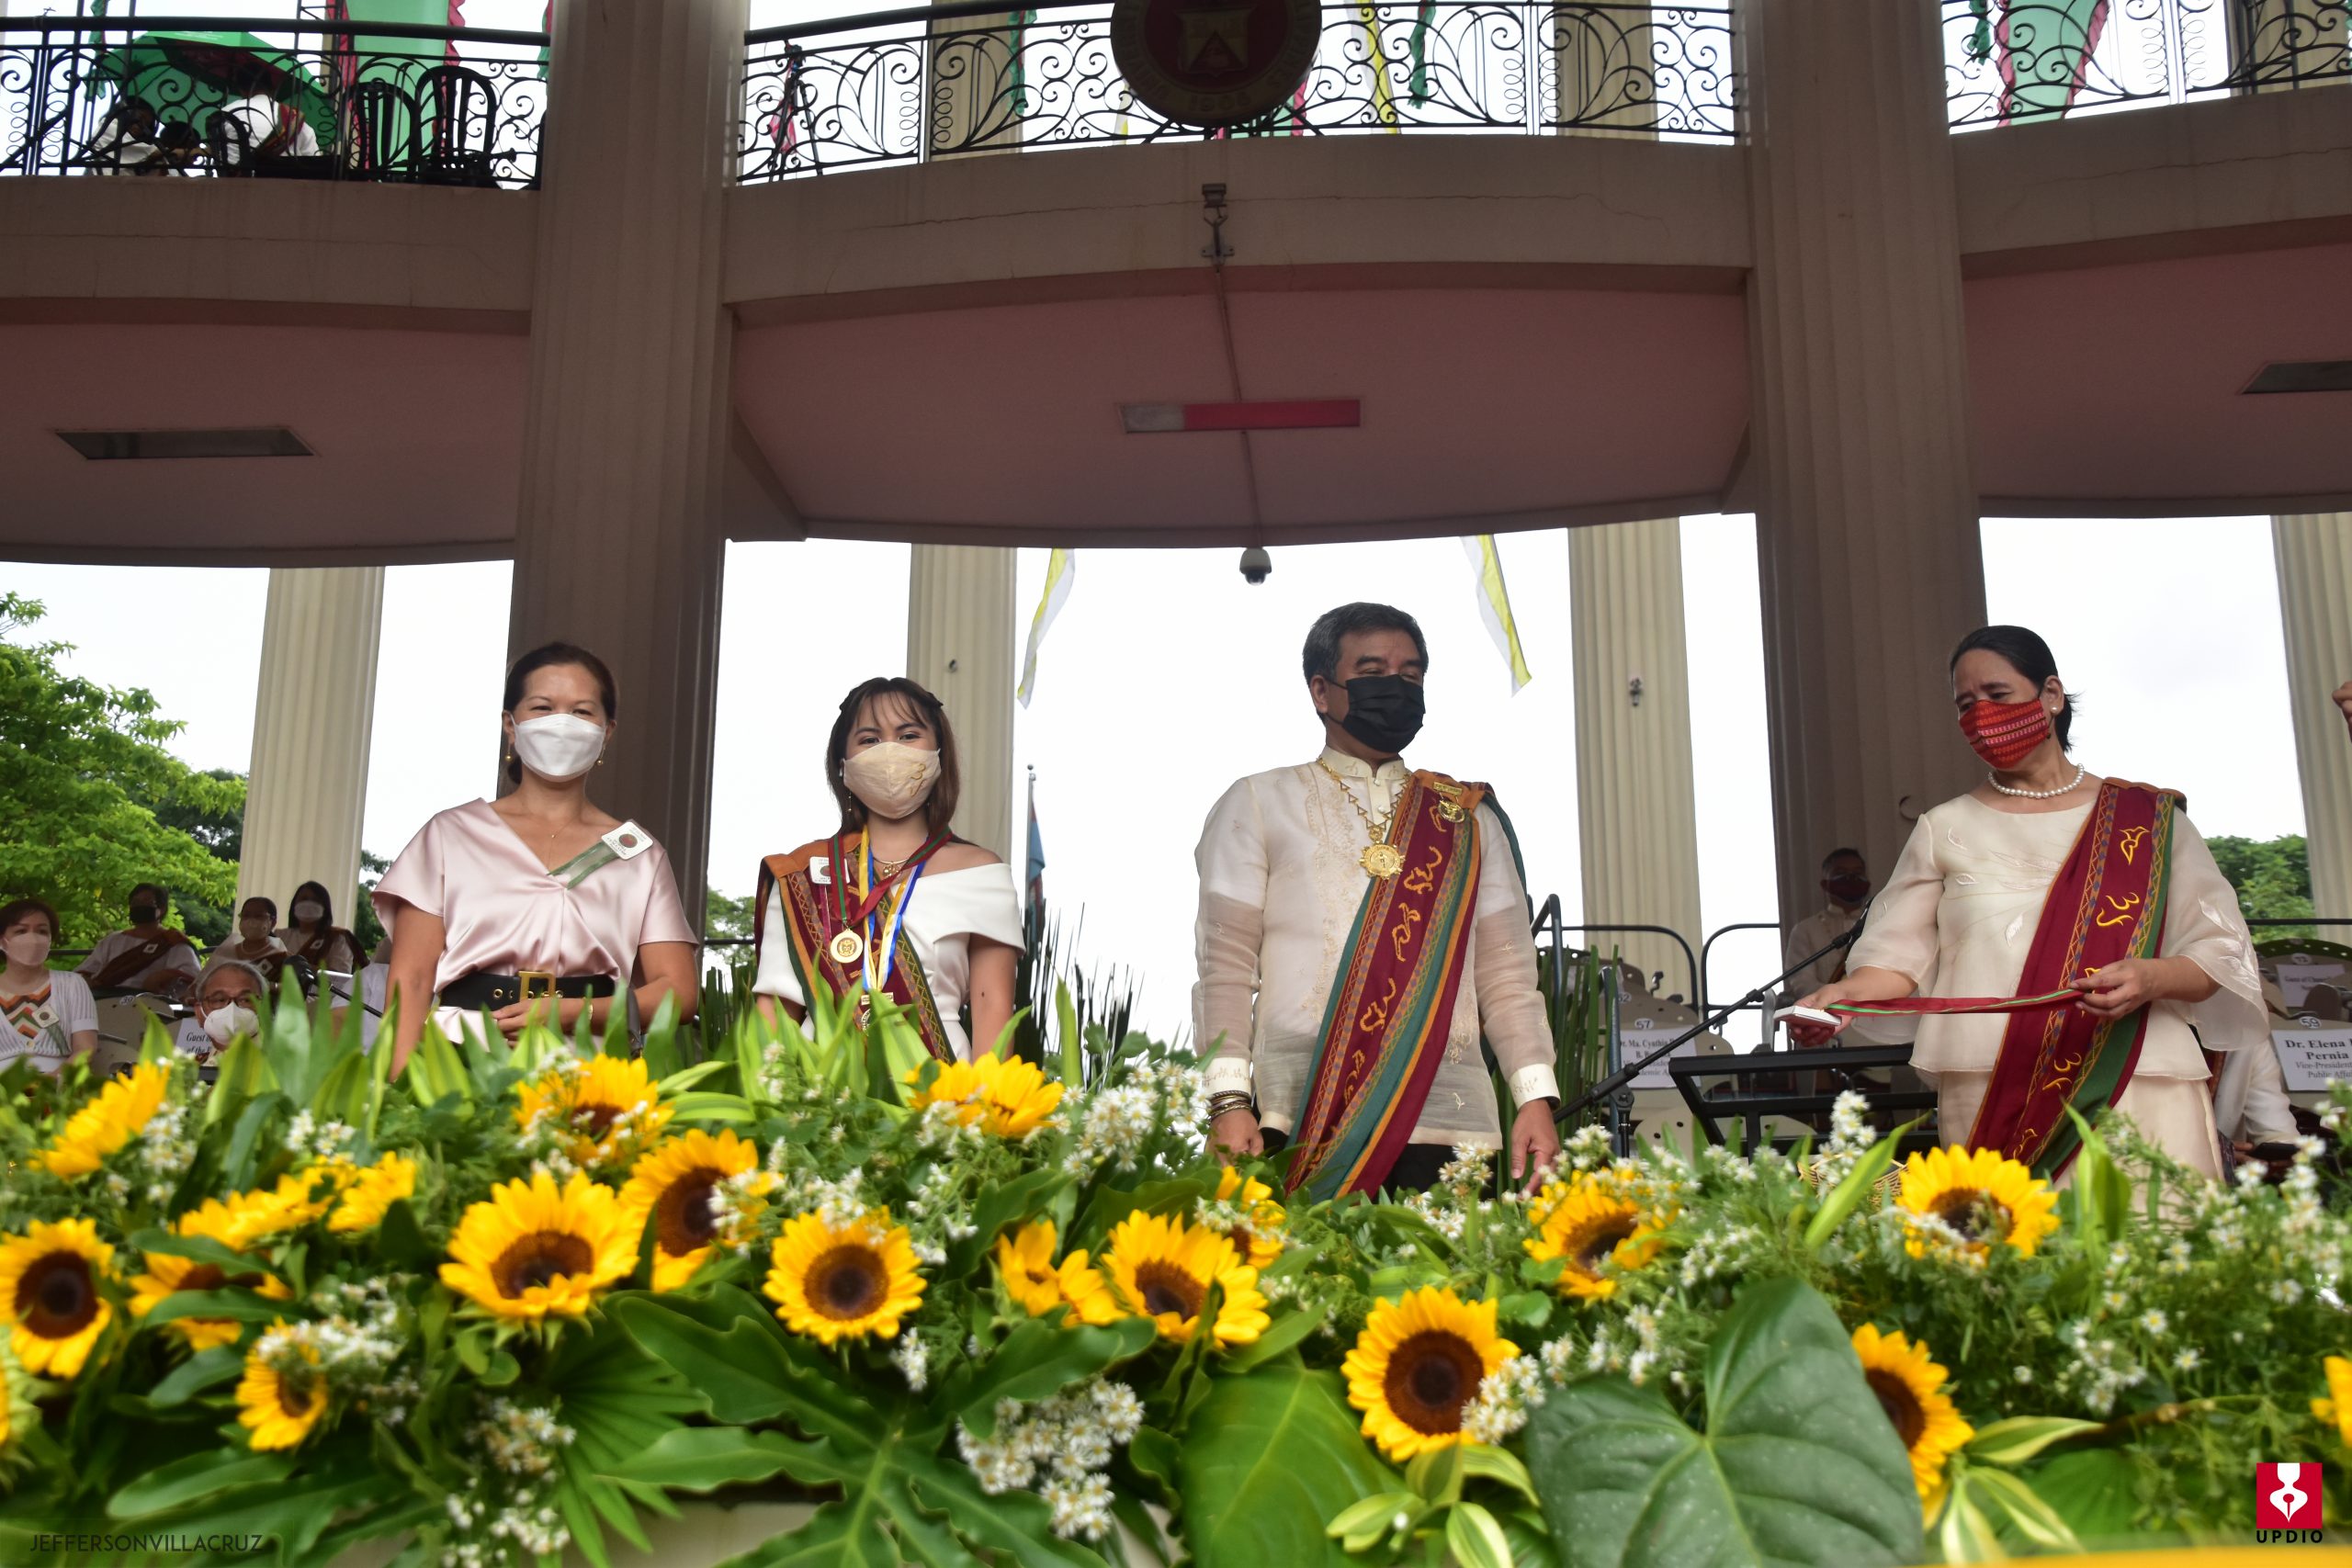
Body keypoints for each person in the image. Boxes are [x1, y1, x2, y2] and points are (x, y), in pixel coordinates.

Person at [1799, 626, 2265, 1179]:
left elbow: (2220, 954)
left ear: (2051, 695)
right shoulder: (1943, 827)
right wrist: (1844, 996)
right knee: (2012, 1233)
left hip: (2135, 1070)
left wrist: (2152, 977)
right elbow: (1894, 962)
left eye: (1997, 695)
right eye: (1965, 705)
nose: (1982, 716)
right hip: (1992, 1081)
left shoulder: (2148, 820)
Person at [1193, 602, 1560, 1201]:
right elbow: (1225, 970)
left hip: (1452, 1121)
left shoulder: (1465, 821)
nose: (1396, 687)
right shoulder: (1258, 802)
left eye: (1411, 675)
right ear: (1321, 690)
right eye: (1372, 672)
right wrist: (1228, 1101)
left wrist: (1534, 1097)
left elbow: (1508, 978)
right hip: (1303, 1112)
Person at [374, 642, 698, 1071]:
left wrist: (569, 1012)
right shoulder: (450, 835)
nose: (562, 724)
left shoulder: (637, 854)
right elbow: (412, 980)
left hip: (589, 1066)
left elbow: (678, 992)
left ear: (607, 731)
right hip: (461, 1058)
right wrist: (396, 1087)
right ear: (510, 725)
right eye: (543, 707)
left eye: (582, 712)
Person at [752, 678, 1022, 1061]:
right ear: (843, 764)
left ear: (939, 753)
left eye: (908, 735)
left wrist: (986, 1098)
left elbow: (992, 1003)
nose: (890, 751)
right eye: (870, 739)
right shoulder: (803, 874)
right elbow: (775, 1013)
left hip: (942, 1085)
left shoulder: (982, 874)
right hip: (821, 1087)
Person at [2, 898, 98, 1075]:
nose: (33, 938)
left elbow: (86, 1049)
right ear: (2, 940)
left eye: (42, 931)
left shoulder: (73, 984)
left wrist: (50, 1082)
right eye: (21, 931)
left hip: (61, 1087)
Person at [78, 884, 201, 1000]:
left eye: (147, 902)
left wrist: (163, 976)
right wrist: (85, 981)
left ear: (162, 909)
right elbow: (85, 971)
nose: (140, 906)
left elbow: (193, 975)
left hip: (149, 1005)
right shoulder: (112, 940)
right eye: (135, 903)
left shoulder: (172, 942)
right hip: (105, 1000)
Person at [1784, 848, 1873, 995]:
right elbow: (1803, 983)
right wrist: (1841, 997)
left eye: (1857, 872)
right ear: (1825, 884)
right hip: (1823, 1006)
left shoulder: (1878, 924)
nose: (1850, 877)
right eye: (1841, 872)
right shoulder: (1805, 929)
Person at [175, 959, 264, 1066]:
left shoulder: (278, 1066)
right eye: (219, 1000)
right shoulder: (192, 1067)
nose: (231, 1009)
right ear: (199, 1014)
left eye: (245, 1000)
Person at [278, 881, 360, 978]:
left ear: (325, 907)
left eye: (315, 900)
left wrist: (300, 967)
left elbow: (340, 977)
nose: (308, 904)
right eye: (304, 899)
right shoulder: (280, 935)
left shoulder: (337, 939)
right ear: (294, 905)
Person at [207, 897, 288, 987]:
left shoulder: (279, 958)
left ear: (273, 922)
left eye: (258, 916)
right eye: (246, 915)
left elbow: (288, 989)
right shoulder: (226, 952)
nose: (251, 921)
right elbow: (203, 983)